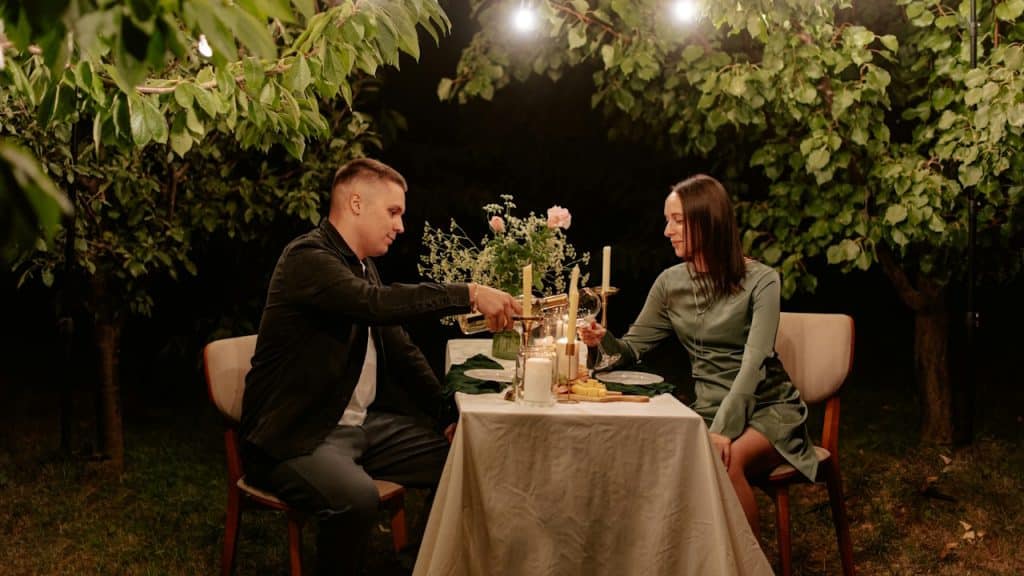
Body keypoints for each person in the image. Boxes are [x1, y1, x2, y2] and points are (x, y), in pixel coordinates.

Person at [240, 157, 520, 574]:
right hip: (296, 435)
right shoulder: (307, 259)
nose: (400, 225)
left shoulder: (362, 267)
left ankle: (414, 566)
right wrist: (470, 292)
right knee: (356, 499)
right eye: (393, 212)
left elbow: (402, 350)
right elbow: (376, 304)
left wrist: (447, 413)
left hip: (356, 428)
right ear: (355, 203)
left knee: (464, 454)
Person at [579, 174, 817, 539]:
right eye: (666, 220)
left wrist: (722, 431)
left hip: (768, 409)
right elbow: (631, 350)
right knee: (652, 458)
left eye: (676, 220)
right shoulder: (670, 283)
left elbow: (753, 366)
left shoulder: (762, 280)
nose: (666, 231)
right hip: (706, 407)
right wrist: (601, 340)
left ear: (707, 220)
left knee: (725, 460)